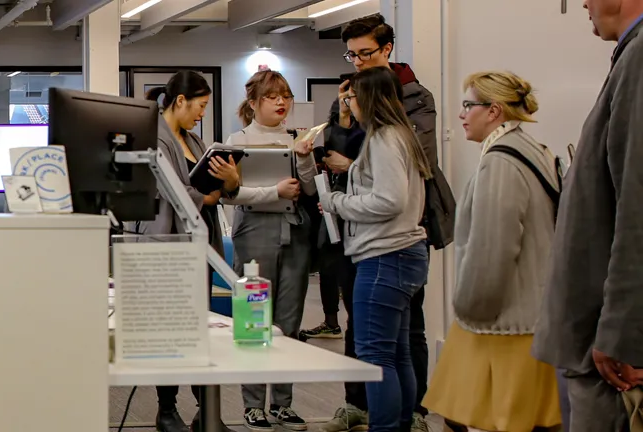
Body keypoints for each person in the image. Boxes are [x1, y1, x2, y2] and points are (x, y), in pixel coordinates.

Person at [316, 15, 449, 432]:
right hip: (396, 250)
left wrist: (337, 201)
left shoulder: (392, 132)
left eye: (364, 54)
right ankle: (395, 419)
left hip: (387, 251)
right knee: (392, 352)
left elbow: (388, 198)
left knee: (380, 354)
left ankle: (391, 424)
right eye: (351, 55)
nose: (356, 62)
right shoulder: (387, 132)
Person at [422, 71, 561, 432]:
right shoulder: (532, 150)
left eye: (468, 105)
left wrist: (469, 307)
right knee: (530, 420)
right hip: (527, 315)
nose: (461, 115)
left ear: (494, 111)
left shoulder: (501, 162)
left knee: (494, 418)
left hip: (501, 320)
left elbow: (493, 247)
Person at [535, 2, 643, 431]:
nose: (582, 2)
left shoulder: (639, 59)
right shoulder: (630, 56)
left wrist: (622, 331)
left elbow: (635, 208)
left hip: (612, 355)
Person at [217, 70, 316, 431]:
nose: (281, 103)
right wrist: (274, 191)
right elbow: (230, 194)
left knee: (289, 321)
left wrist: (304, 156)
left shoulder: (297, 137)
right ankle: (253, 404)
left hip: (295, 233)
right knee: (254, 318)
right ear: (255, 103)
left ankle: (283, 403)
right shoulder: (238, 140)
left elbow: (308, 187)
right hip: (253, 232)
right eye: (273, 97)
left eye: (286, 96)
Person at [137, 70, 227, 432]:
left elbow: (221, 184)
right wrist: (207, 196)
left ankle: (206, 412)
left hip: (197, 243)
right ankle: (167, 408)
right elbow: (174, 188)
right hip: (167, 244)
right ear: (180, 102)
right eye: (200, 106)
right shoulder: (153, 137)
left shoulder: (197, 140)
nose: (202, 113)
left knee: (199, 330)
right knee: (171, 332)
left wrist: (229, 181)